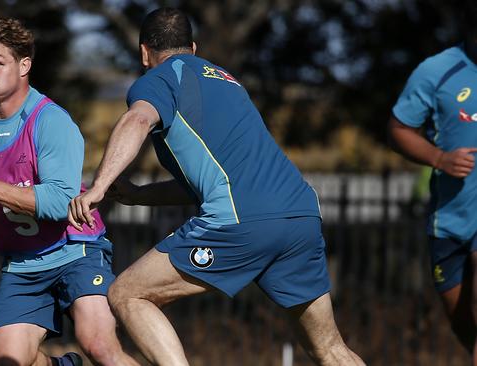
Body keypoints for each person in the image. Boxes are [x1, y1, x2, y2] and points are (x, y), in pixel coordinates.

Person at [68, 7, 364, 366]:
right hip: (300, 215)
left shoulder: (158, 78)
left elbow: (138, 119)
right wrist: (140, 195)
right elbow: (214, 181)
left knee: (129, 294)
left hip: (243, 220)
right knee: (329, 349)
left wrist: (99, 186)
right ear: (192, 47)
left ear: (145, 52)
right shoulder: (225, 79)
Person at [0, 14, 138, 366]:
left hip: (76, 250)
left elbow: (61, 203)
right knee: (7, 361)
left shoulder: (51, 121)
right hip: (22, 264)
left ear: (24, 66)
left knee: (99, 346)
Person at [388, 1, 477, 361]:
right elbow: (399, 129)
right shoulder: (438, 70)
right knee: (465, 327)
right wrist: (439, 158)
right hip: (450, 221)